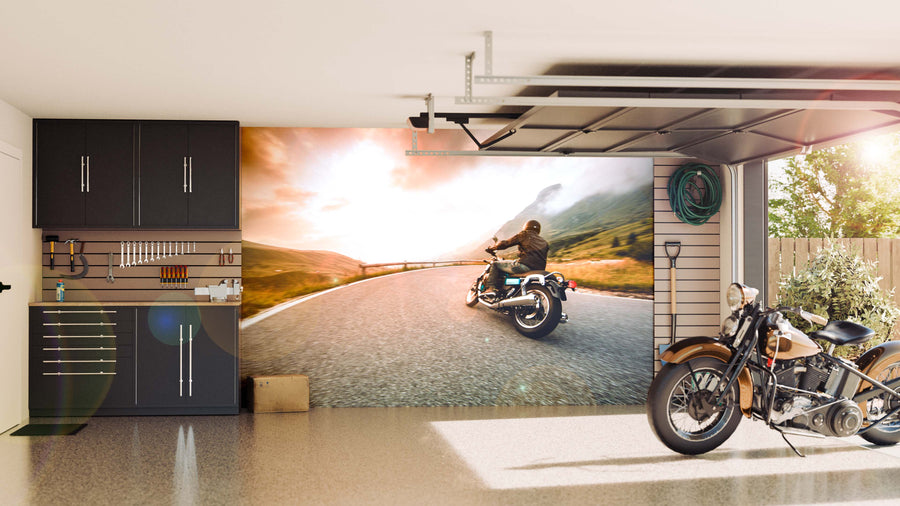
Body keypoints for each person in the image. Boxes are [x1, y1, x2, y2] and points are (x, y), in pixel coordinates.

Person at [484, 219, 549, 296]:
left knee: (495, 264)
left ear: (526, 227)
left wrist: (493, 248)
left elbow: (506, 243)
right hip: (539, 269)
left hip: (524, 266)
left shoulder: (525, 234)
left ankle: (490, 288)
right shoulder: (544, 242)